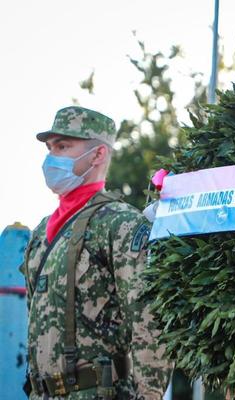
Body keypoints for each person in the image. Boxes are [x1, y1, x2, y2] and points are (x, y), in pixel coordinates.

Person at [21, 106, 171, 399]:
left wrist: (149, 395)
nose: (52, 158)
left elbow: (149, 321)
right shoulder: (41, 232)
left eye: (63, 146)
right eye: (50, 148)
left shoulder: (120, 223)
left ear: (98, 154)